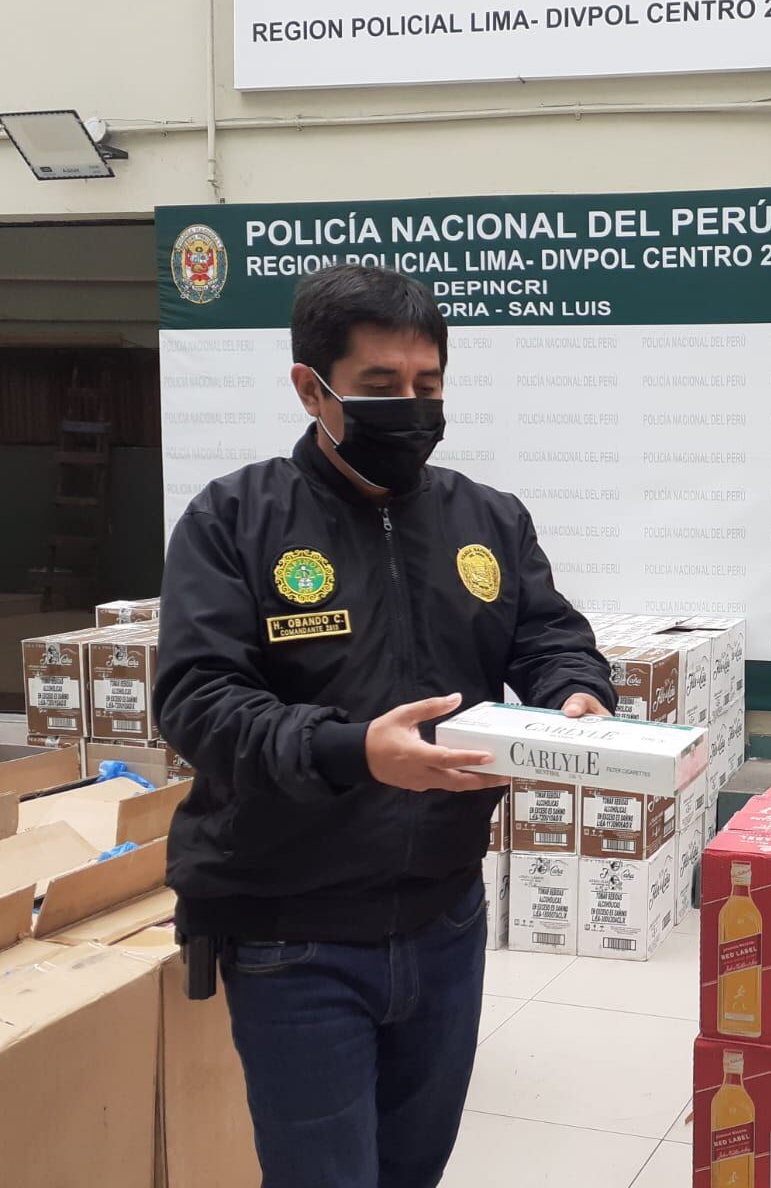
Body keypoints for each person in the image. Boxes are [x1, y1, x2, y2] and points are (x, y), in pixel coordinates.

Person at [155, 264, 616, 1188]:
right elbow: (198, 702)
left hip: (447, 919)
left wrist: (577, 694)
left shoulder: (487, 516)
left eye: (428, 386)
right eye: (379, 389)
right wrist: (354, 751)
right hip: (295, 934)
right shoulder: (234, 520)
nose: (410, 407)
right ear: (310, 388)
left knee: (414, 1169)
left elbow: (548, 632)